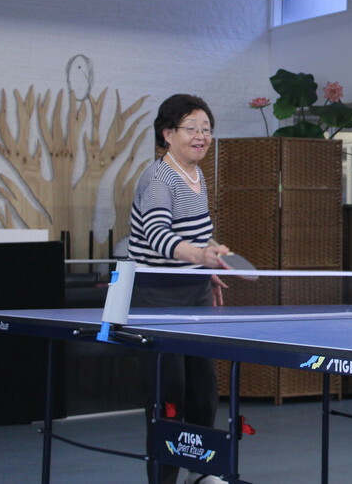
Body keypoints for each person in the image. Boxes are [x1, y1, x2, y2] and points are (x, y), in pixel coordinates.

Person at [128, 94, 232, 484]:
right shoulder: (157, 177)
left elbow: (195, 234)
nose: (202, 136)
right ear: (168, 133)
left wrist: (207, 269)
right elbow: (158, 235)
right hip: (156, 295)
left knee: (204, 388)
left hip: (194, 293)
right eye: (192, 129)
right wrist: (200, 257)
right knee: (168, 395)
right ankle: (164, 479)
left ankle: (202, 472)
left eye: (206, 129)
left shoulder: (196, 175)